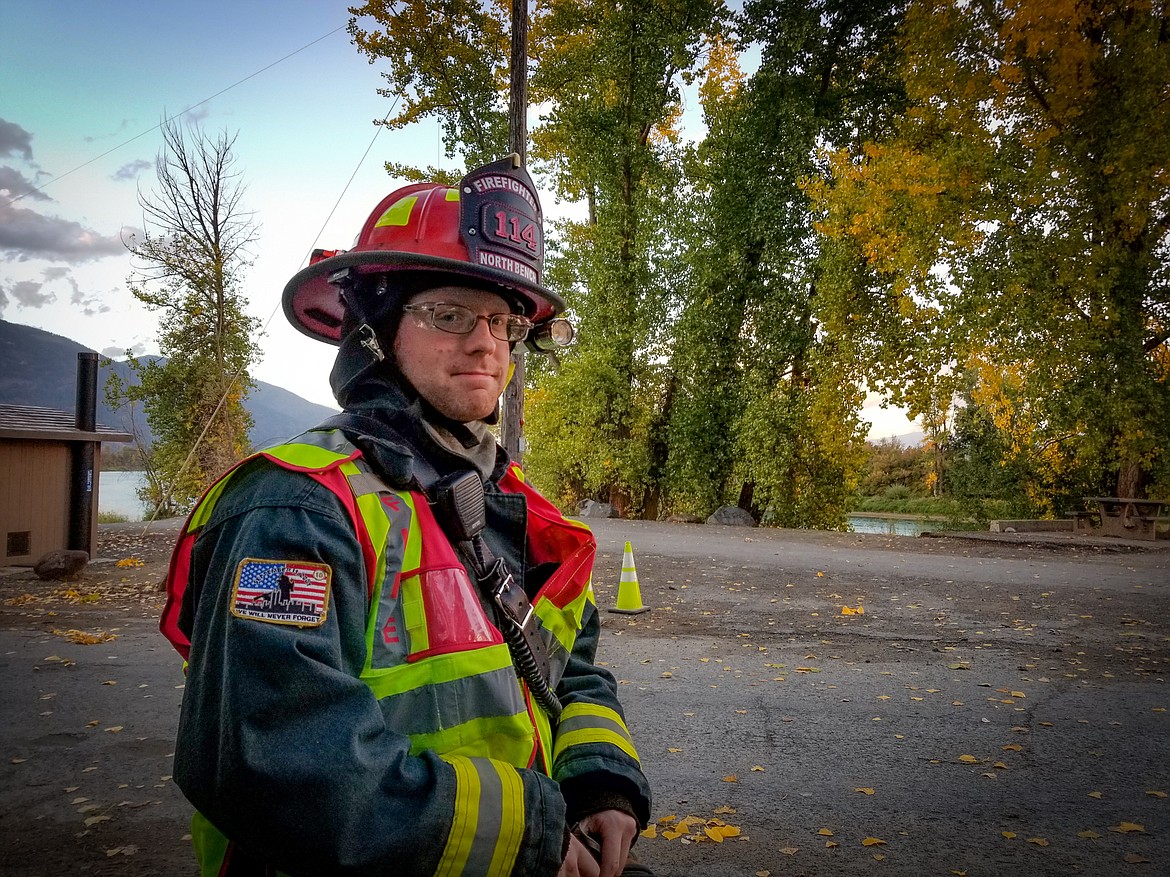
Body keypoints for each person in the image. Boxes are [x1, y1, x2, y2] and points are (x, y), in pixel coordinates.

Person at [160, 155, 653, 877]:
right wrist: (529, 839)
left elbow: (567, 671)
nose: (486, 343)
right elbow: (276, 767)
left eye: (503, 321)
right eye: (449, 314)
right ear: (375, 331)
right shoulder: (296, 508)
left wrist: (599, 782)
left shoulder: (510, 506)